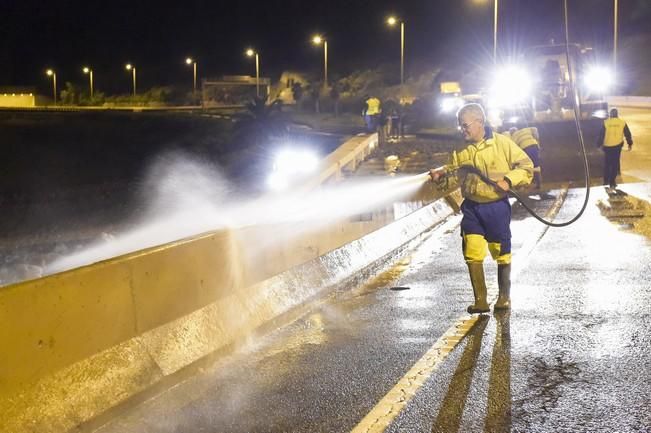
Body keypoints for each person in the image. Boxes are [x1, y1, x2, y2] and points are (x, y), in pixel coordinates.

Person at [430, 103, 533, 313]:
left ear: (480, 122)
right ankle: (481, 301)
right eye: (460, 126)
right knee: (472, 251)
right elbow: (454, 175)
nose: (462, 130)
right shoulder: (460, 149)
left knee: (500, 251)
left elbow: (526, 166)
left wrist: (508, 180)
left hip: (495, 207)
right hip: (472, 208)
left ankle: (504, 297)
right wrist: (440, 177)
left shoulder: (502, 144)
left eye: (465, 125)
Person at [596, 107, 633, 190]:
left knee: (607, 164)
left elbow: (601, 135)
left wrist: (598, 145)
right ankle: (612, 182)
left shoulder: (606, 123)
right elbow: (628, 134)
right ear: (617, 114)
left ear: (610, 114)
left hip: (607, 146)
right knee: (615, 164)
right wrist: (630, 143)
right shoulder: (622, 123)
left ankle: (605, 181)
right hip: (617, 146)